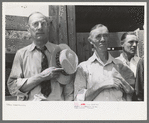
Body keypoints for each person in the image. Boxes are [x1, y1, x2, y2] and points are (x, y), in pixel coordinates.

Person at [7, 12, 74, 101]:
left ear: (48, 28)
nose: (40, 27)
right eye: (35, 24)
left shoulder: (61, 52)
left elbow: (69, 86)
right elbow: (13, 86)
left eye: (43, 23)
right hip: (32, 108)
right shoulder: (21, 54)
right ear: (28, 29)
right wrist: (42, 76)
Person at [74, 24, 135, 101]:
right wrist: (102, 85)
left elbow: (130, 94)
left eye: (105, 35)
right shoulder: (83, 68)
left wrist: (126, 86)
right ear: (90, 41)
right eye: (98, 36)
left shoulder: (121, 65)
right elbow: (78, 100)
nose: (103, 39)